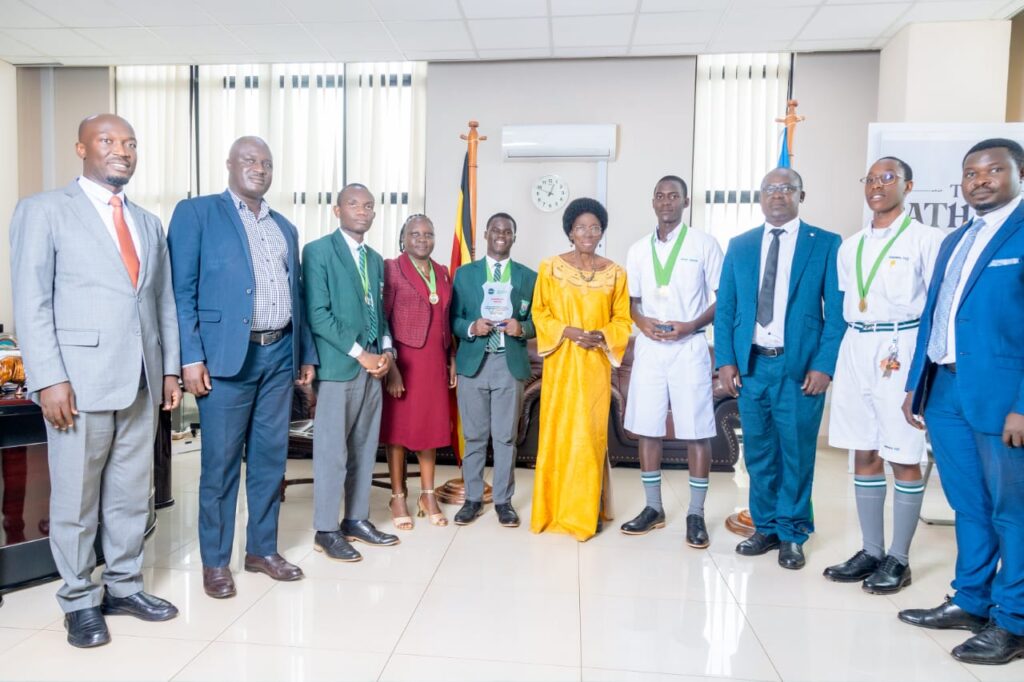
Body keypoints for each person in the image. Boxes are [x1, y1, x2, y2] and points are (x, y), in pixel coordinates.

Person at [10, 114, 182, 647]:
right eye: (108, 141)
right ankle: (79, 600)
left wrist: (169, 369)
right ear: (81, 147)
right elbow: (31, 301)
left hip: (140, 381)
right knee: (77, 502)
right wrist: (48, 378)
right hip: (78, 385)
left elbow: (162, 302)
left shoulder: (147, 222)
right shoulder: (43, 211)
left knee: (131, 496)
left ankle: (124, 587)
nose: (121, 151)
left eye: (130, 143)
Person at [167, 136, 317, 599]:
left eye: (267, 163)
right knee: (220, 465)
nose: (260, 168)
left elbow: (297, 295)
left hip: (279, 355)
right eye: (250, 160)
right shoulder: (197, 214)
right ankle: (216, 561)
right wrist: (190, 357)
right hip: (225, 360)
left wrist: (304, 354)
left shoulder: (284, 226)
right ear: (229, 164)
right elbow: (180, 292)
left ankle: (261, 550)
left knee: (271, 460)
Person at [897, 138, 1024, 666]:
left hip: (1003, 398)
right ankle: (972, 601)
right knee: (967, 503)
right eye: (971, 173)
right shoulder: (956, 240)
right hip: (944, 388)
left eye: (994, 170)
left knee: (1012, 510)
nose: (980, 180)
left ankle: (1014, 622)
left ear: (1019, 175)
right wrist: (917, 383)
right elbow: (935, 315)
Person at [713, 168, 844, 570]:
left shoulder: (825, 243)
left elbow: (837, 313)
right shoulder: (740, 245)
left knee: (797, 453)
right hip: (752, 365)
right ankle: (766, 527)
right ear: (760, 196)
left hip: (798, 366)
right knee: (759, 452)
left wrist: (824, 365)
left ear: (801, 195)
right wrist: (725, 361)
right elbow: (726, 309)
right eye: (770, 188)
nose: (777, 195)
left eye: (787, 188)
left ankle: (792, 533)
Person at [823, 157, 942, 594]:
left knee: (903, 454)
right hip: (857, 344)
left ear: (908, 186)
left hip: (901, 344)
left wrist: (921, 374)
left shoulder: (927, 240)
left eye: (888, 178)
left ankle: (899, 558)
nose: (877, 185)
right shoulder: (850, 246)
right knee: (864, 449)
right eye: (871, 178)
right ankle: (871, 550)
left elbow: (936, 309)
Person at [621, 176, 723, 548]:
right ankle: (653, 508)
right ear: (653, 202)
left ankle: (695, 513)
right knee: (647, 427)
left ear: (686, 202)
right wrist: (642, 322)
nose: (666, 202)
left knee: (696, 430)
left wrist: (691, 325)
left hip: (689, 346)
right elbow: (632, 302)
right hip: (650, 348)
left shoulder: (704, 244)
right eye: (660, 196)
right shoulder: (637, 250)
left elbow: (723, 298)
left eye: (674, 196)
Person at [303, 183, 398, 561]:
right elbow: (318, 314)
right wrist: (361, 355)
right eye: (354, 204)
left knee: (364, 447)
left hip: (373, 367)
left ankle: (356, 519)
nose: (363, 211)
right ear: (337, 210)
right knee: (332, 452)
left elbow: (379, 312)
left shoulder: (374, 259)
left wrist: (386, 351)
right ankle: (326, 529)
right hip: (340, 367)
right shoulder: (318, 252)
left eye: (369, 206)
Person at [530, 198, 632, 542]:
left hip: (594, 366)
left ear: (602, 232)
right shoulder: (550, 268)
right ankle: (552, 510)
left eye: (594, 227)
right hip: (561, 364)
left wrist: (604, 335)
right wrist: (567, 331)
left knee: (589, 437)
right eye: (580, 227)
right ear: (570, 231)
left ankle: (586, 512)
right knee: (558, 433)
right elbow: (539, 312)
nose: (587, 233)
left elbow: (623, 319)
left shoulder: (616, 273)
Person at [450, 212, 538, 527]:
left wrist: (522, 328)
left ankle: (503, 501)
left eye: (508, 231)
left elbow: (540, 320)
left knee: (505, 438)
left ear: (514, 237)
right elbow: (452, 319)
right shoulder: (464, 274)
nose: (502, 234)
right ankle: (473, 500)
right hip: (473, 363)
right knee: (473, 437)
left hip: (508, 364)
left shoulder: (529, 277)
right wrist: (471, 327)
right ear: (486, 234)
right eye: (496, 230)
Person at [381, 214, 455, 529]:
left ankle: (427, 495)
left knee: (430, 428)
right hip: (404, 361)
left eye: (428, 234)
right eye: (415, 234)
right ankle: (398, 496)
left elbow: (447, 319)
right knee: (397, 431)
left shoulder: (442, 271)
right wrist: (391, 367)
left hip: (435, 360)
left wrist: (451, 357)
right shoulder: (391, 268)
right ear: (404, 238)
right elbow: (382, 320)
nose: (422, 239)